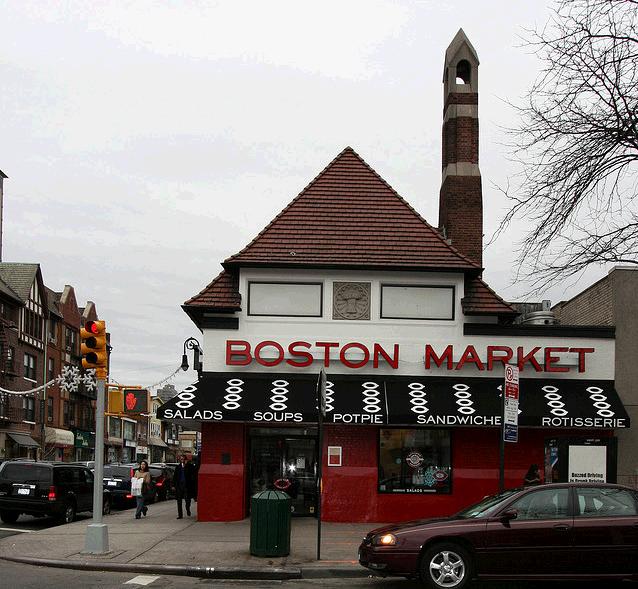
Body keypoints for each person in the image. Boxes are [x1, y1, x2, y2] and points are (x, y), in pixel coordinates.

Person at [173, 454, 196, 519]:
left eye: (183, 459)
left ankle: (187, 508)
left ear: (185, 459)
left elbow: (192, 472)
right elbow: (175, 477)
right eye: (181, 459)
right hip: (179, 485)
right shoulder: (178, 467)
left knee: (187, 500)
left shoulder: (189, 466)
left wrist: (187, 465)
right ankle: (180, 515)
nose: (182, 460)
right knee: (179, 500)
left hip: (187, 485)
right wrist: (173, 485)